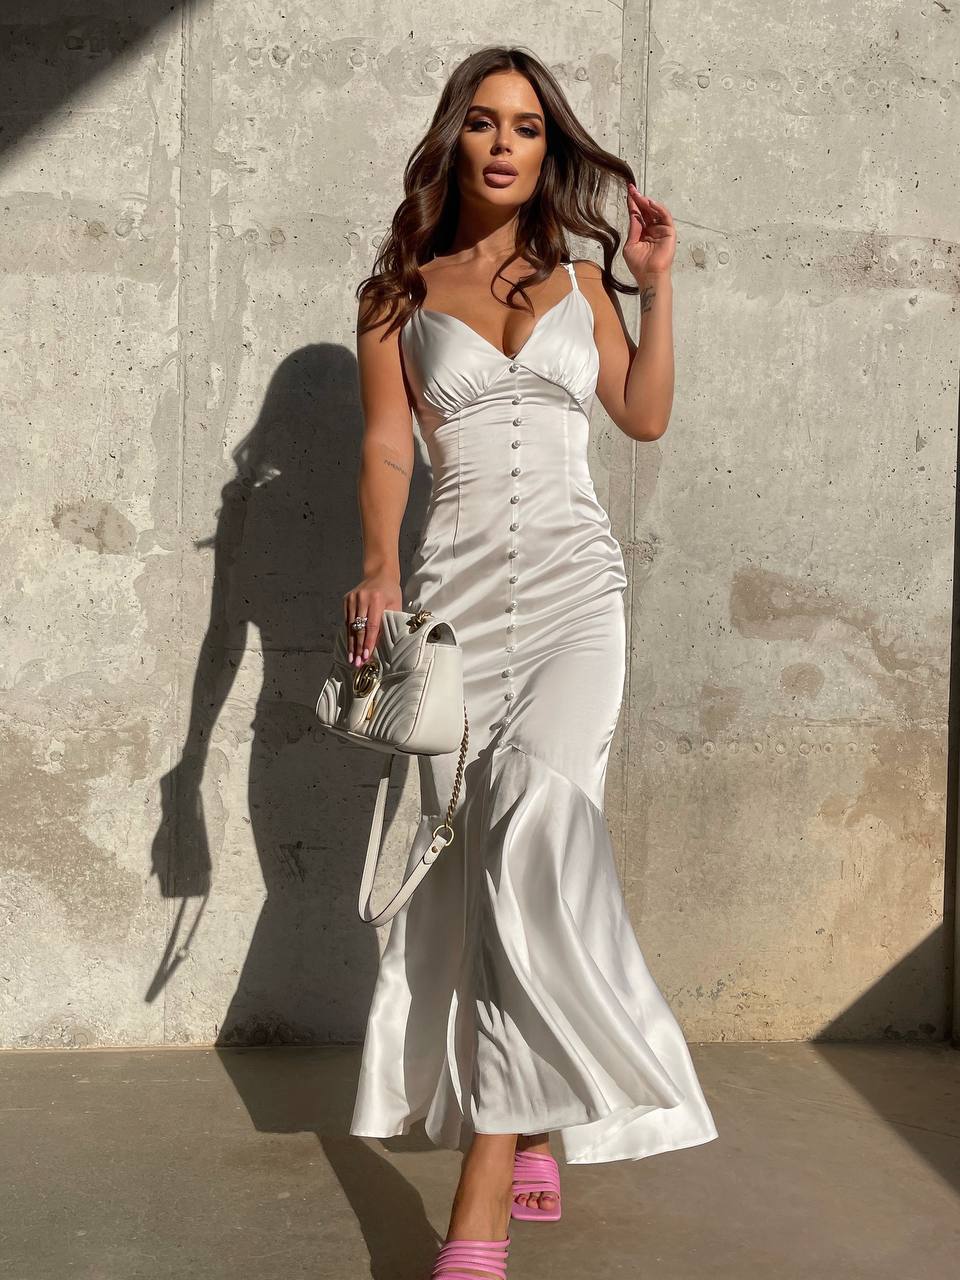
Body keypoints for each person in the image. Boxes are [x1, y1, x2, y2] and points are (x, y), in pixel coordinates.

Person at [344, 45, 718, 1280]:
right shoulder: (397, 293)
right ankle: (542, 1110)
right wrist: (380, 565)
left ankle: (480, 1204)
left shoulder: (580, 283)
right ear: (455, 140)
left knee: (534, 838)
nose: (507, 144)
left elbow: (644, 416)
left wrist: (658, 290)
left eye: (530, 129)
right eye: (487, 124)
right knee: (487, 868)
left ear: (548, 151)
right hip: (457, 607)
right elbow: (391, 446)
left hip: (574, 598)